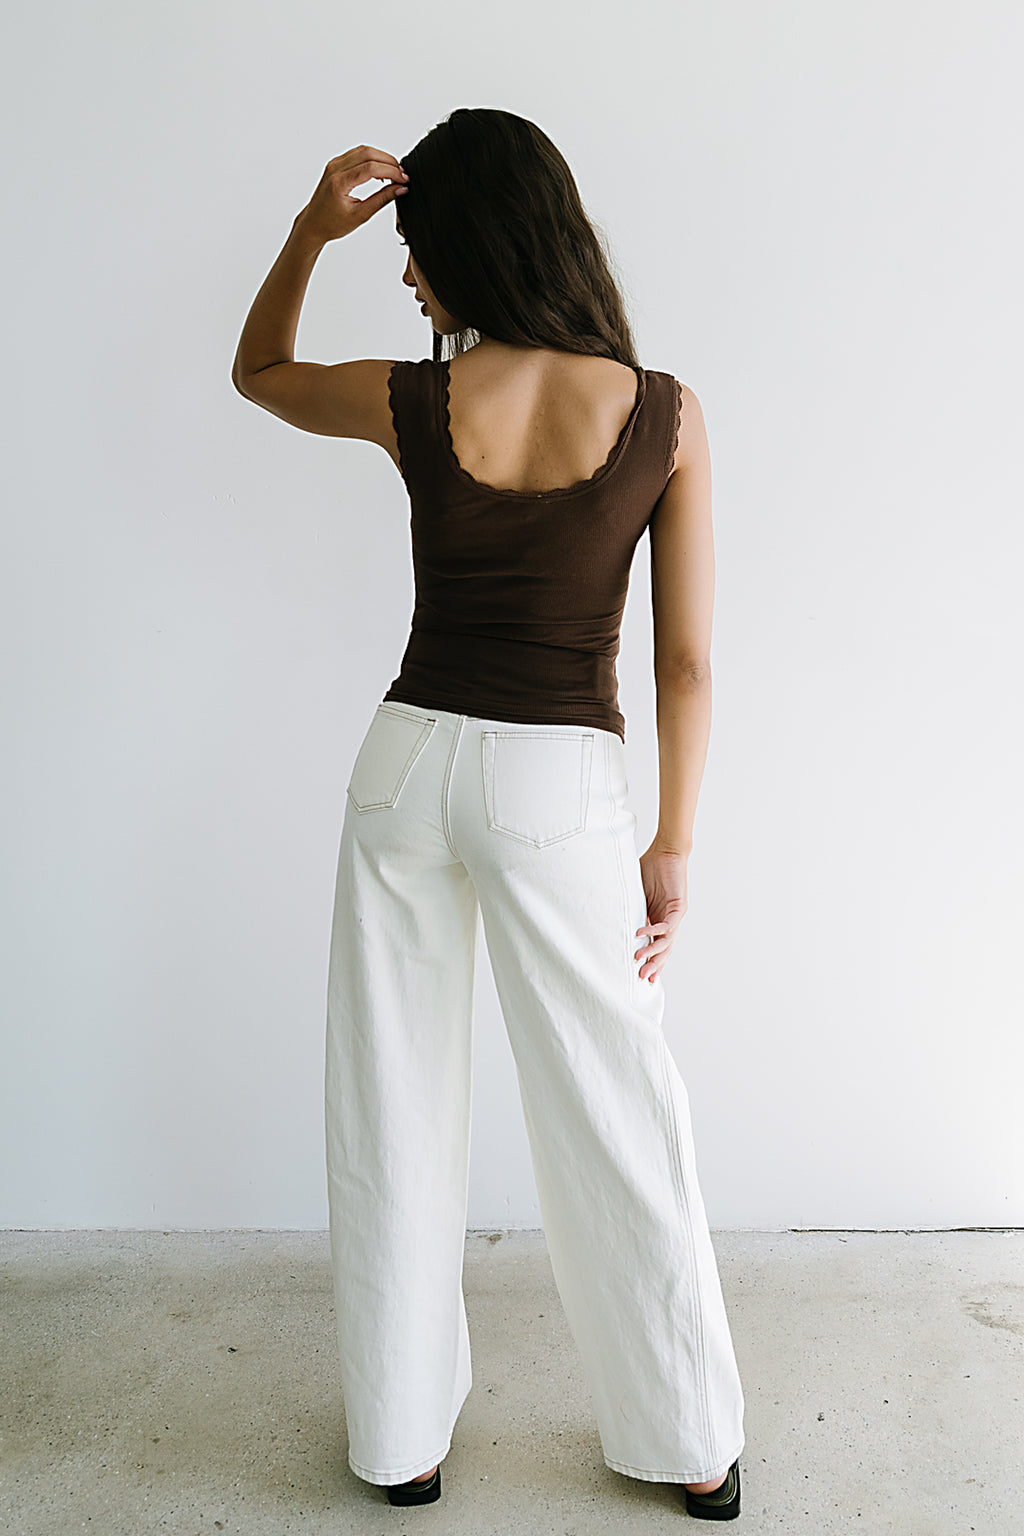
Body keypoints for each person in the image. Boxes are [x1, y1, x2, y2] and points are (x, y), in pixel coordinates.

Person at [232, 108, 745, 1520]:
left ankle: (399, 1445)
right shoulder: (662, 409)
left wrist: (305, 231)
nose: (406, 278)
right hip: (555, 788)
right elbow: (686, 662)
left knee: (390, 1107)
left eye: (415, 249)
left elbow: (258, 370)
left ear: (475, 242)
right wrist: (674, 845)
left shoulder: (415, 399)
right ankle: (689, 1440)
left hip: (403, 766)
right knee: (614, 1106)